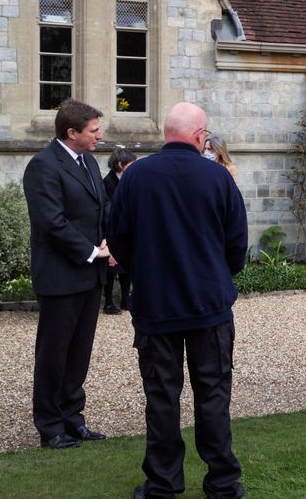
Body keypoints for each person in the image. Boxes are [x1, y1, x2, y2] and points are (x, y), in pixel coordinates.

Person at [106, 102, 247, 499]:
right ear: (200, 136)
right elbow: (237, 243)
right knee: (214, 393)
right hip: (208, 305)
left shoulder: (135, 177)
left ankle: (164, 483)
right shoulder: (218, 179)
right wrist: (215, 274)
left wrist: (146, 274)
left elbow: (118, 237)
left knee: (161, 396)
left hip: (156, 305)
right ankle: (222, 482)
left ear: (166, 133)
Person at [22, 99, 111, 449]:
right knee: (53, 354)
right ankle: (50, 425)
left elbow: (99, 207)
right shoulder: (42, 166)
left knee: (79, 353)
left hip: (90, 276)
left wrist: (108, 241)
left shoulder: (88, 161)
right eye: (93, 130)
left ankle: (73, 419)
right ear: (71, 132)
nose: (100, 136)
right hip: (60, 277)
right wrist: (92, 252)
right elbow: (52, 224)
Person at [102, 147, 136, 314]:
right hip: (110, 229)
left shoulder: (131, 180)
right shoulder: (107, 183)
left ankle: (125, 299)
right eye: (131, 164)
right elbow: (107, 210)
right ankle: (108, 302)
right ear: (120, 165)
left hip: (126, 228)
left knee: (125, 268)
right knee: (110, 268)